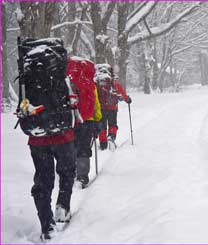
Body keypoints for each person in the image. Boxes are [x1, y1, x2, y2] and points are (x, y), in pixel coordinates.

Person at [16, 38, 77, 241]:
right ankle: (63, 206)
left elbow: (23, 104)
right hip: (62, 134)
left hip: (37, 137)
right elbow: (72, 101)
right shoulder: (61, 75)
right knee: (67, 171)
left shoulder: (29, 75)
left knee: (43, 179)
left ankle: (46, 225)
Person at [66, 57, 102, 188]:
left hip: (71, 120)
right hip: (88, 121)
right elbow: (96, 104)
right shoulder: (90, 83)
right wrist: (98, 119)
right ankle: (82, 176)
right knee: (84, 148)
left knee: (71, 147)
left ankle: (70, 172)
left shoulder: (67, 82)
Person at [95, 64, 131, 150]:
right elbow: (122, 93)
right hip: (112, 108)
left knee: (102, 127)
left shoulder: (97, 83)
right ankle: (111, 137)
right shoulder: (114, 83)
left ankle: (103, 144)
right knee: (112, 124)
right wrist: (127, 99)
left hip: (101, 108)